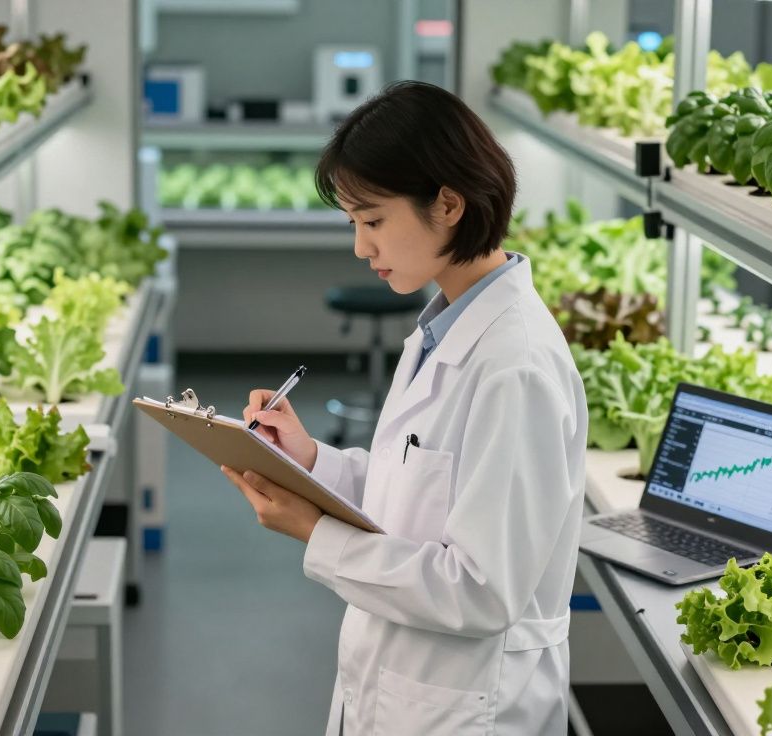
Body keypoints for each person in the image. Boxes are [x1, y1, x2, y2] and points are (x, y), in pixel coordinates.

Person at [219, 81, 588, 735]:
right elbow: (412, 490)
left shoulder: (515, 367)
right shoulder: (440, 325)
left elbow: (481, 590)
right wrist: (309, 460)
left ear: (447, 203)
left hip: (470, 709)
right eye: (353, 223)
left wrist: (315, 529)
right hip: (404, 691)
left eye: (373, 220)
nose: (362, 248)